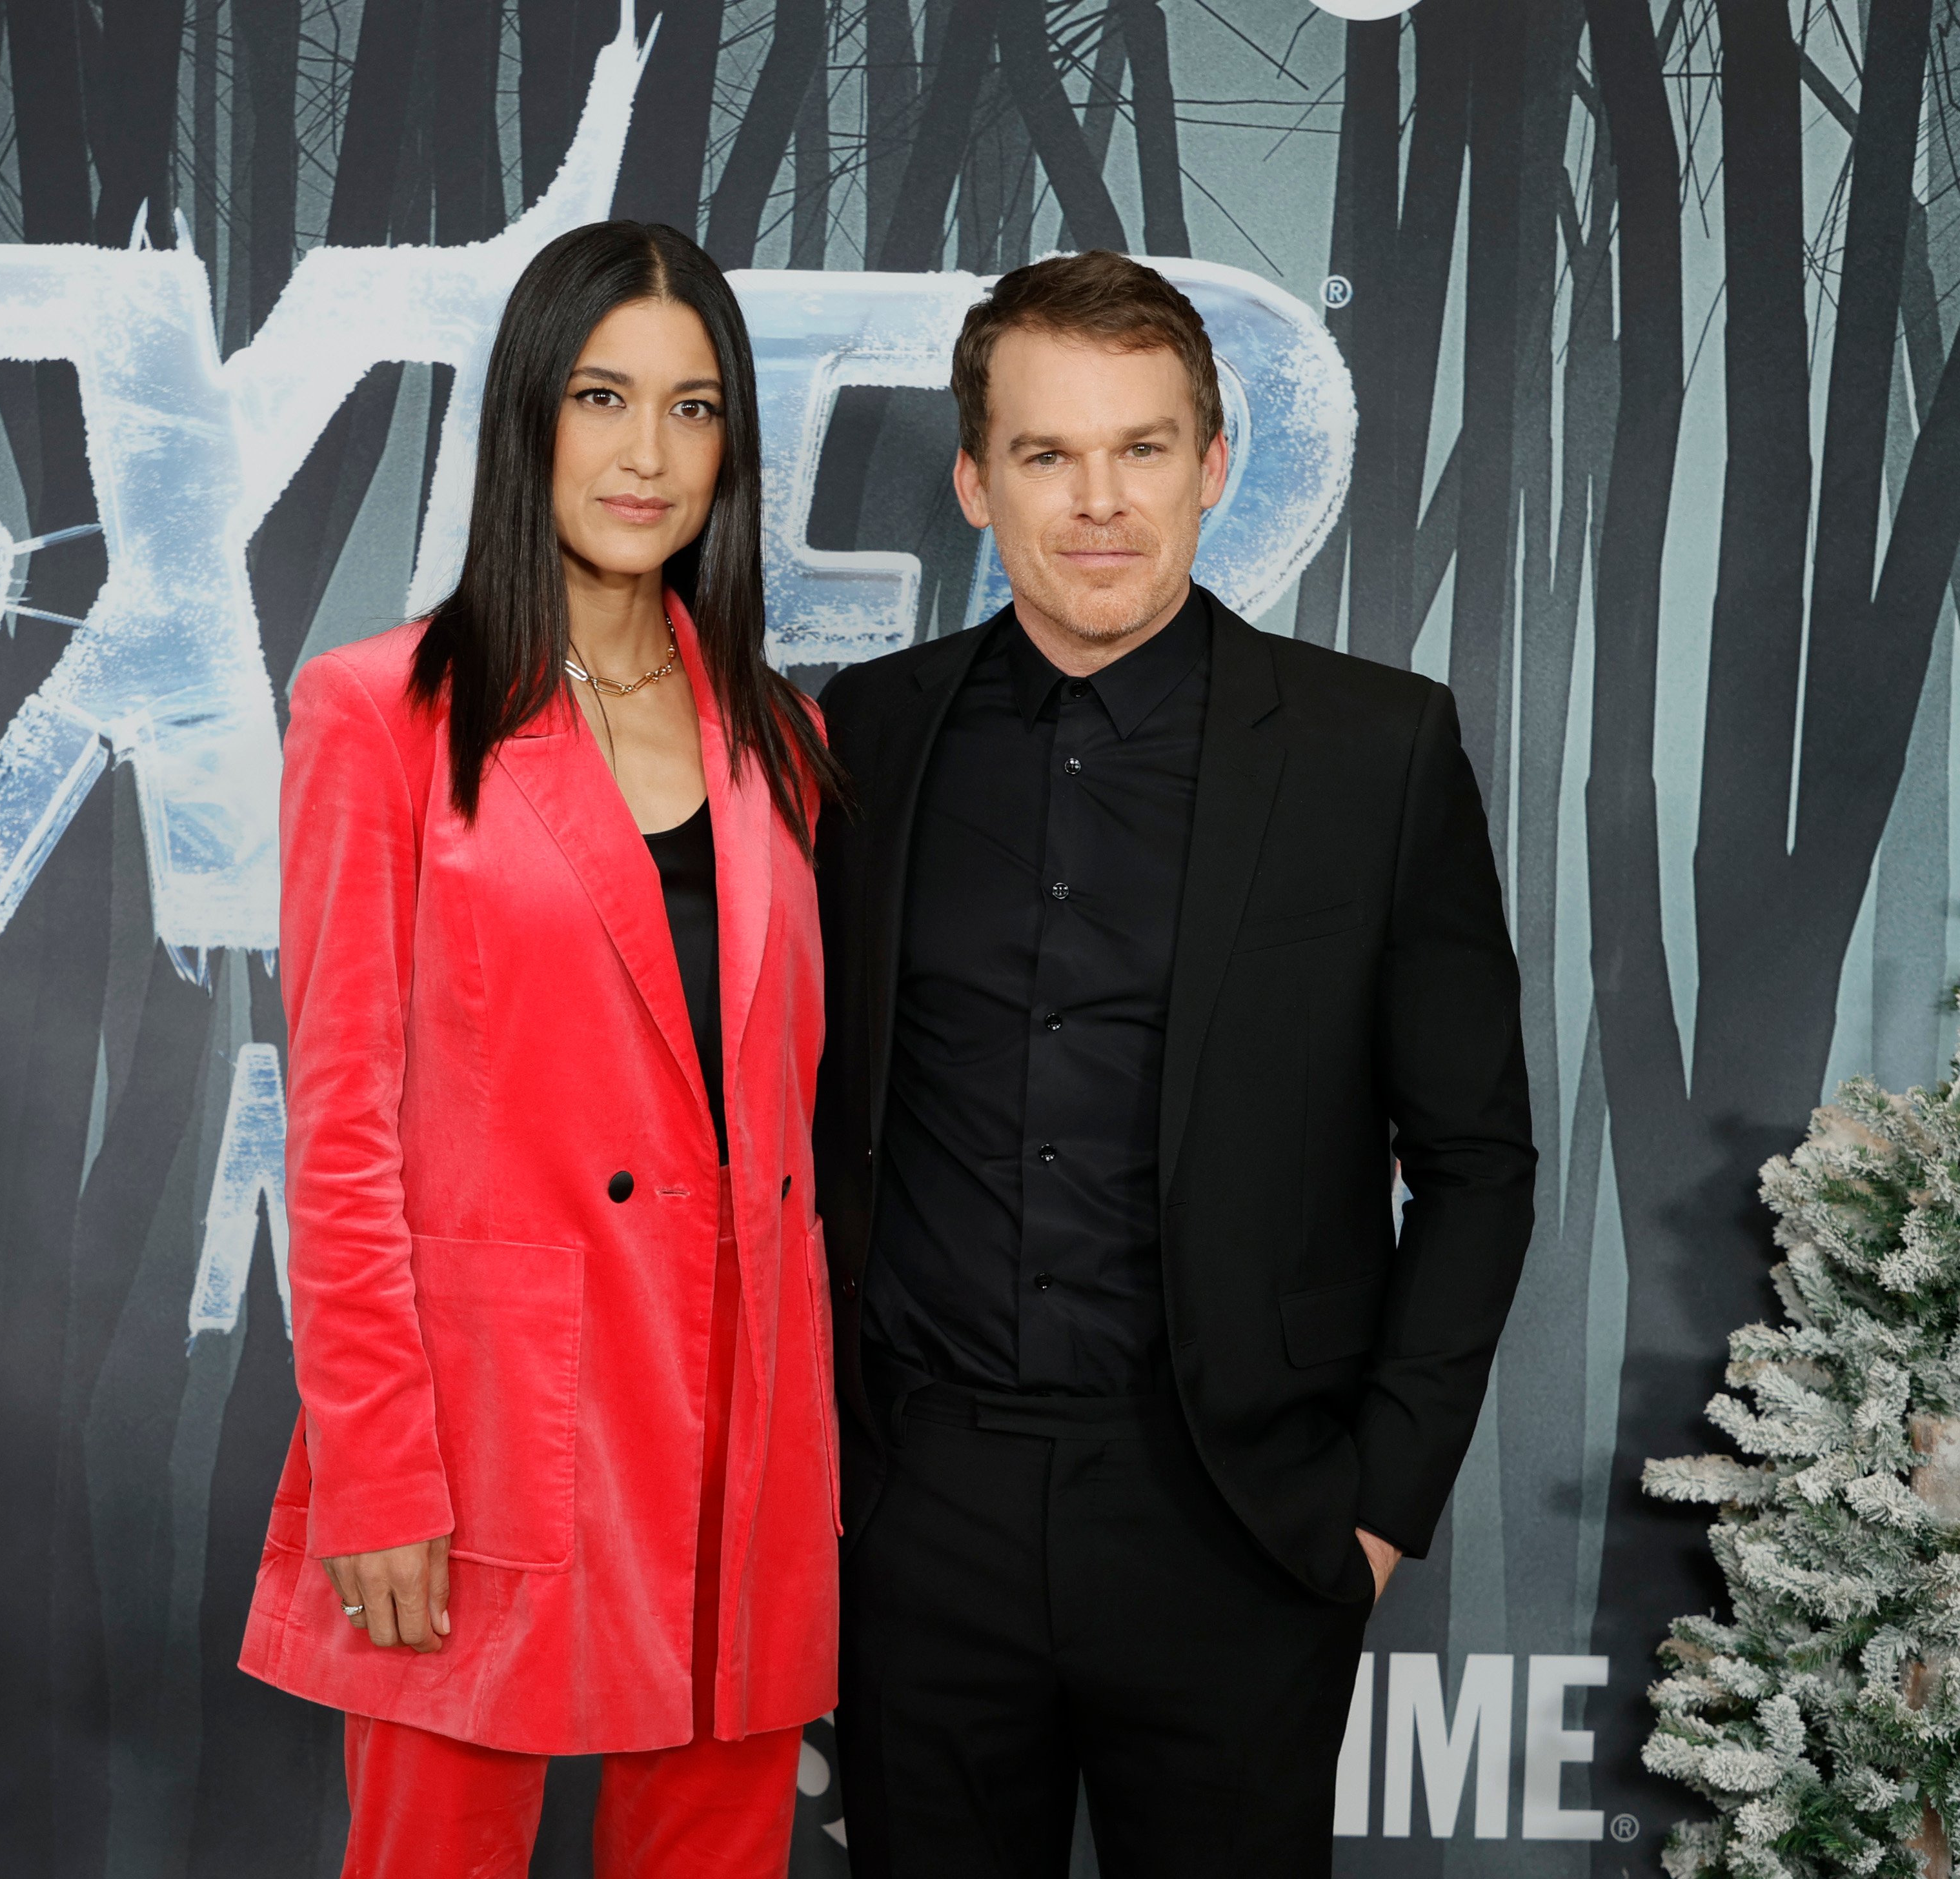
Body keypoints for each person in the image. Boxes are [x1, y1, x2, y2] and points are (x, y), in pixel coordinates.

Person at [813, 250, 1536, 1877]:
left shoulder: (1376, 752)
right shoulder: (866, 735)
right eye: (1047, 454)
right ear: (974, 482)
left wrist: (1372, 1509)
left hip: (1233, 1518)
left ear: (1214, 467)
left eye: (1143, 448)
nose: (1100, 503)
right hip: (926, 1515)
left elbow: (1480, 1164)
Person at [239, 219, 844, 1878]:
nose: (648, 454)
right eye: (602, 396)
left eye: (695, 407)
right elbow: (343, 1126)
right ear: (528, 415)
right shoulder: (380, 714)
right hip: (498, 1430)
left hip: (743, 1431)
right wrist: (374, 1472)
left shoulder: (778, 734)